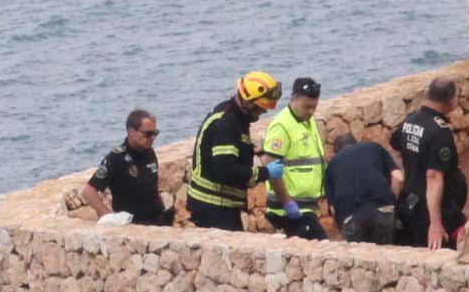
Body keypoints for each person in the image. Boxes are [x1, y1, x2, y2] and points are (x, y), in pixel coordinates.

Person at [184, 71, 279, 227]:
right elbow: (226, 171)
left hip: (221, 204)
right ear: (249, 102)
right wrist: (265, 172)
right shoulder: (227, 124)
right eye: (260, 108)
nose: (263, 112)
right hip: (213, 205)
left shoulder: (235, 117)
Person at [392, 76, 469, 250]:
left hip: (411, 204)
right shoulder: (440, 132)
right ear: (449, 101)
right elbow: (433, 176)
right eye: (458, 95)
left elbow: (396, 144)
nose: (459, 99)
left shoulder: (411, 120)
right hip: (434, 211)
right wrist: (436, 223)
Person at [254, 76, 331, 240]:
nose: (311, 111)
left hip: (307, 206)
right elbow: (271, 167)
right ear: (293, 99)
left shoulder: (307, 122)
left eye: (314, 107)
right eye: (307, 106)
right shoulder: (282, 126)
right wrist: (288, 203)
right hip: (291, 209)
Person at [86, 108, 170, 225]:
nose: (152, 138)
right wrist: (107, 215)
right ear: (131, 131)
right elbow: (89, 191)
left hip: (159, 219)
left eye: (155, 133)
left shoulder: (149, 152)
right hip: (136, 224)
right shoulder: (116, 158)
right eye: (148, 134)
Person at [325, 118, 403, 243]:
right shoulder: (373, 147)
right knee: (386, 254)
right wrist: (393, 205)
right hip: (383, 209)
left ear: (336, 153)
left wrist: (341, 227)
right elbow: (398, 178)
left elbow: (333, 209)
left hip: (351, 218)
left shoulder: (332, 166)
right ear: (356, 143)